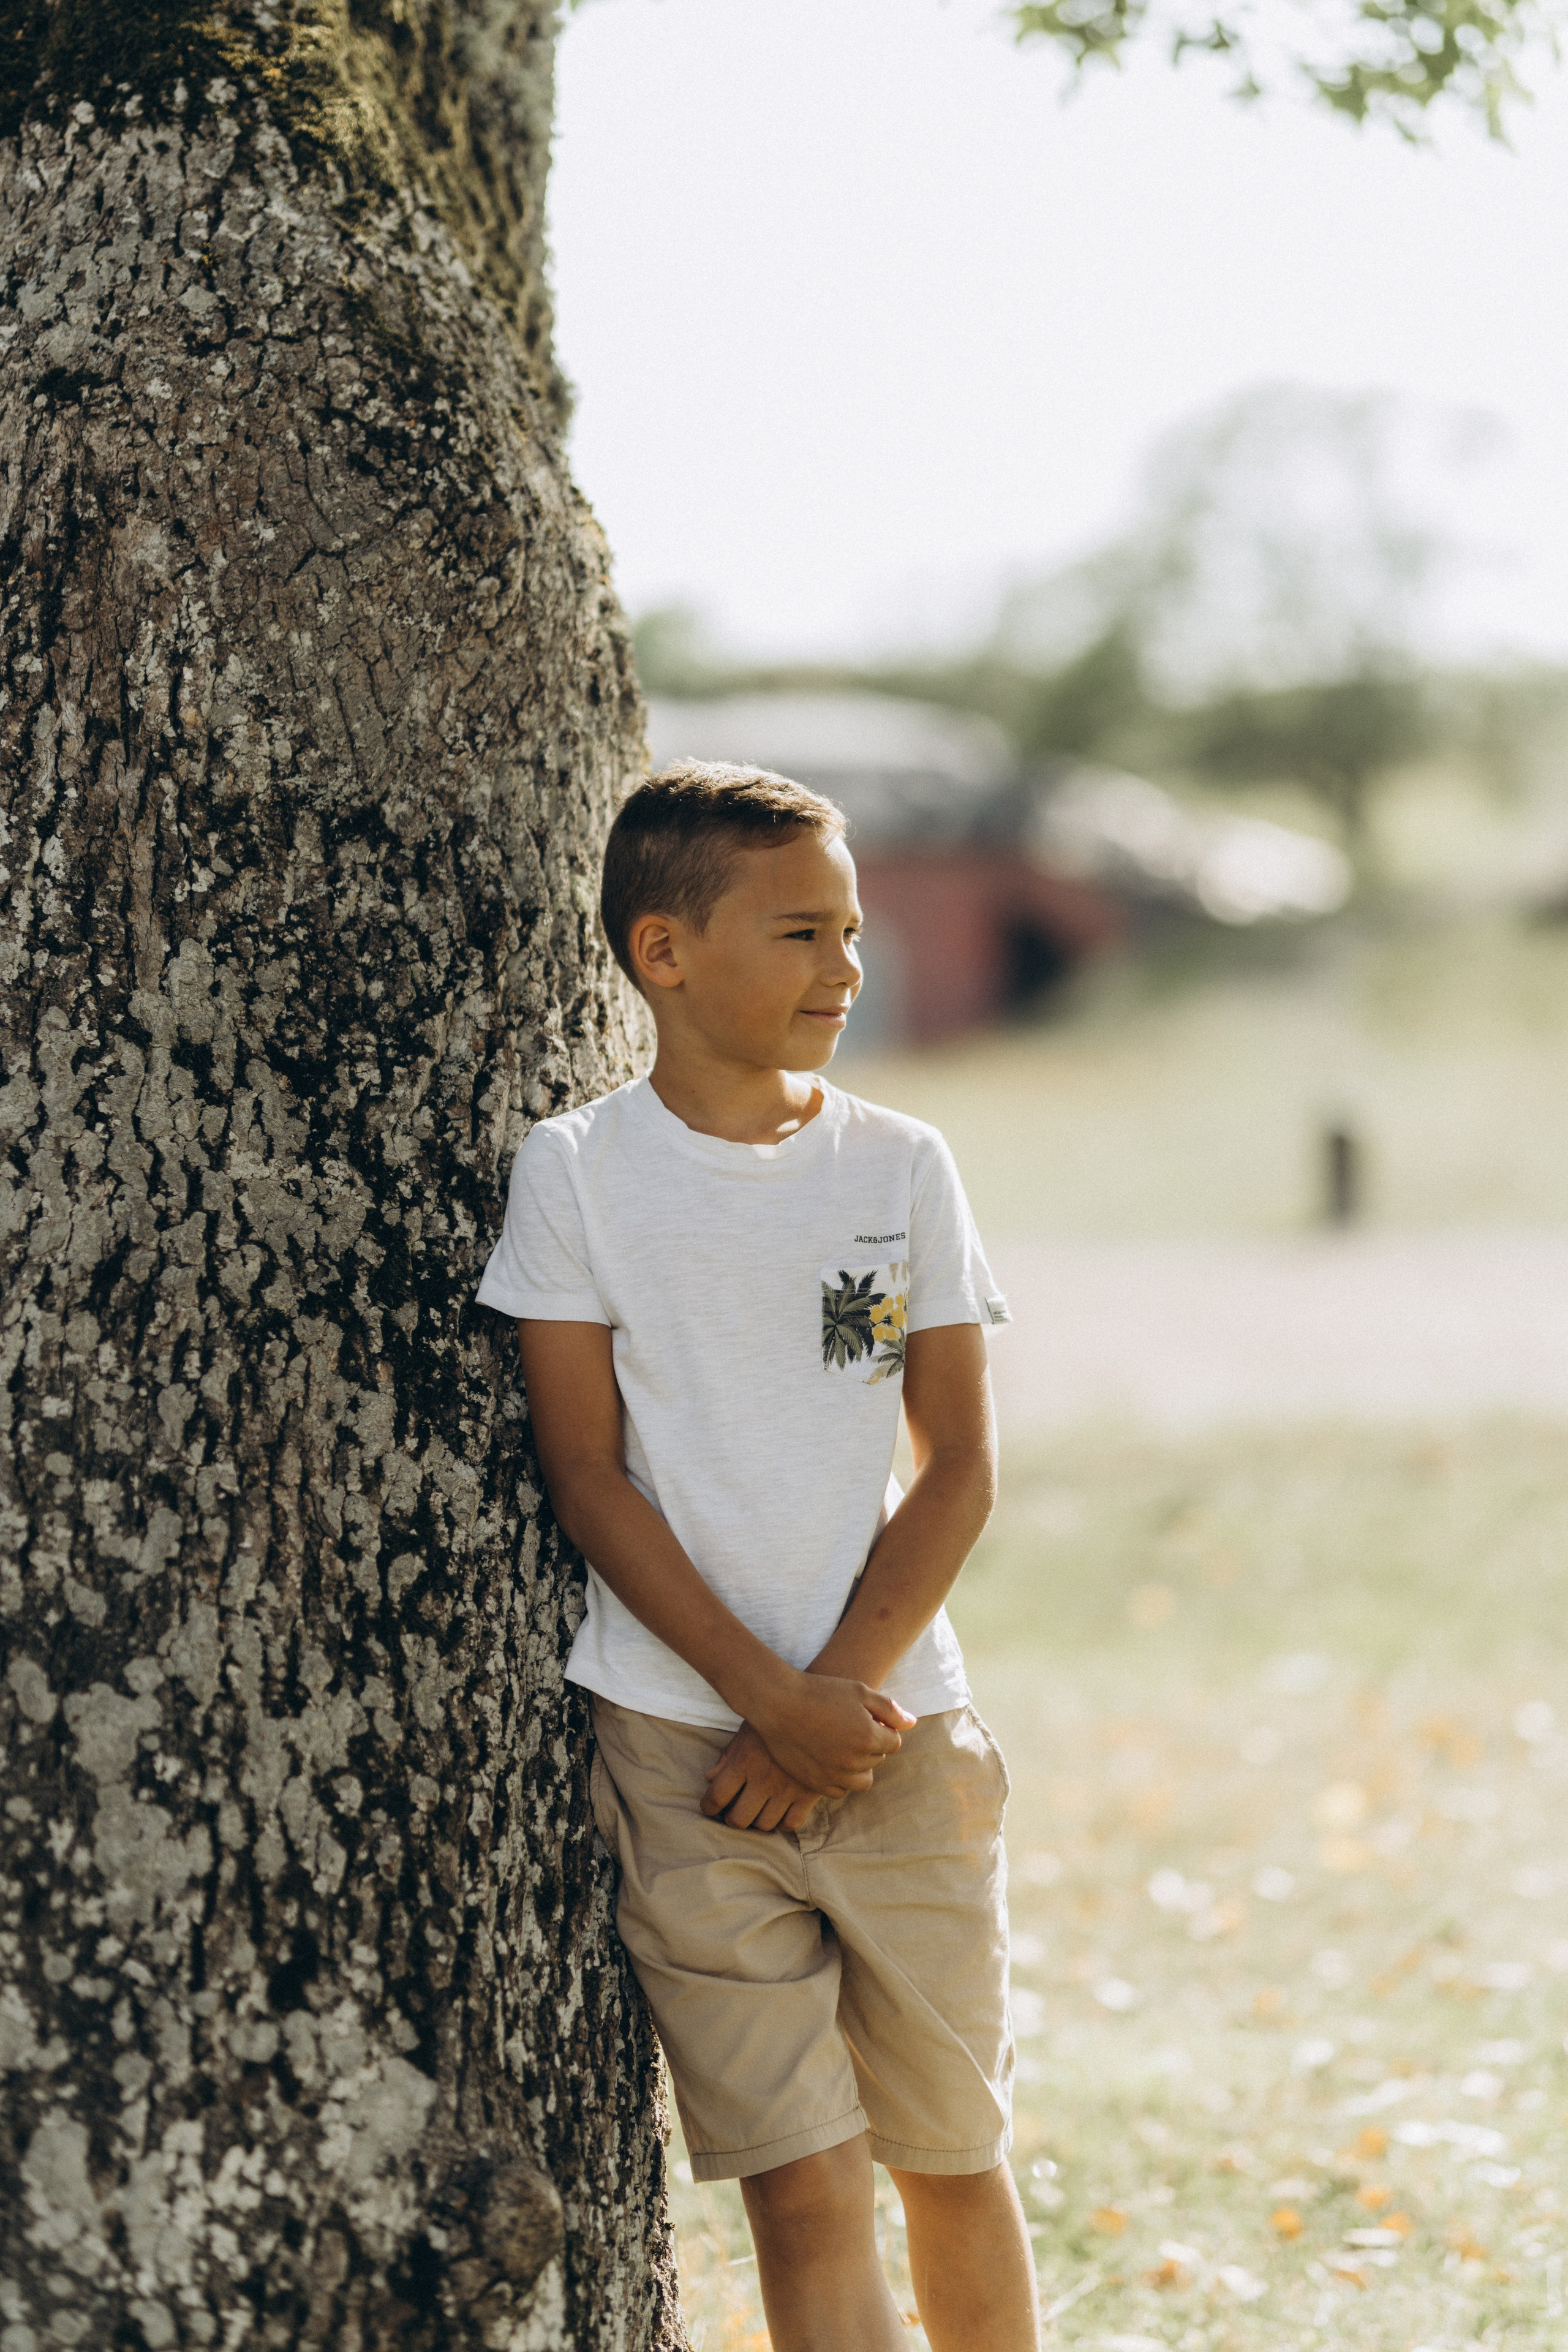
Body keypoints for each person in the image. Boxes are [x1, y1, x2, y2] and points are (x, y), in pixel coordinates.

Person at [477, 761, 1037, 2351]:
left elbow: (960, 1468)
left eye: (852, 933)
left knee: (952, 2156)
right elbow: (586, 1476)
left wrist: (831, 1700)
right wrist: (755, 1701)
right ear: (665, 952)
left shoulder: (900, 1166)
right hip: (679, 1752)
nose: (848, 970)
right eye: (803, 934)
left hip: (892, 1737)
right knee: (804, 2180)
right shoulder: (578, 1176)